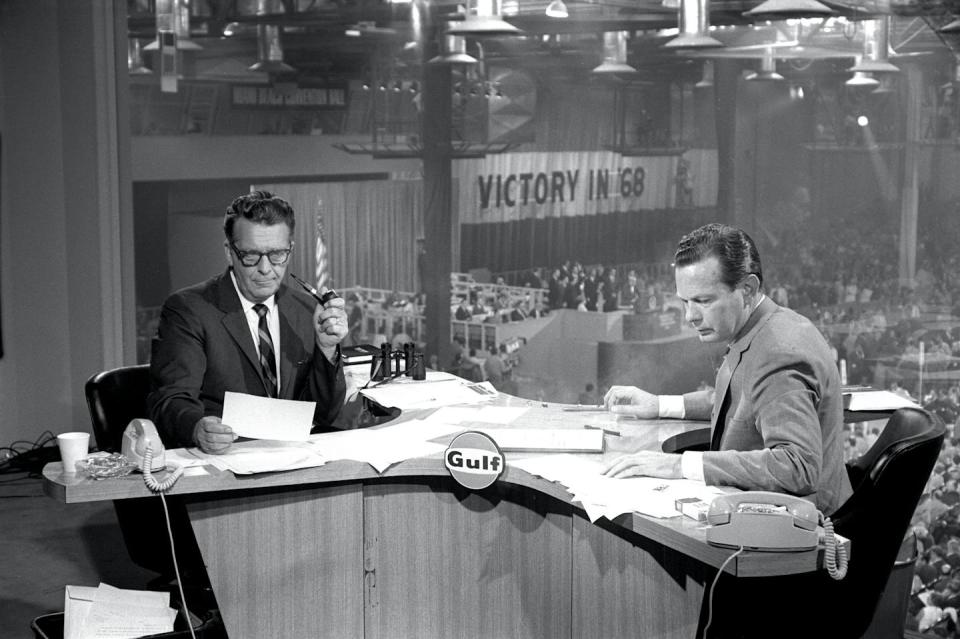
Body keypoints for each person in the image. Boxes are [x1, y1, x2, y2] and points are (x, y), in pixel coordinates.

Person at [602, 223, 852, 516]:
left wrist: (680, 465)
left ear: (747, 289)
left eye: (703, 301)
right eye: (685, 301)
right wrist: (659, 404)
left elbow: (798, 466)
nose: (690, 316)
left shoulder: (778, 354)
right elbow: (743, 398)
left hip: (802, 538)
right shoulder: (765, 328)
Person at [147, 190, 348, 453]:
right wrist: (197, 428)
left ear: (291, 250)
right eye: (251, 256)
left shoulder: (307, 309)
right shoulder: (188, 310)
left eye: (277, 254)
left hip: (294, 462)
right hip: (224, 464)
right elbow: (170, 399)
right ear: (230, 252)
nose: (266, 269)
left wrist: (327, 349)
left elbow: (324, 414)